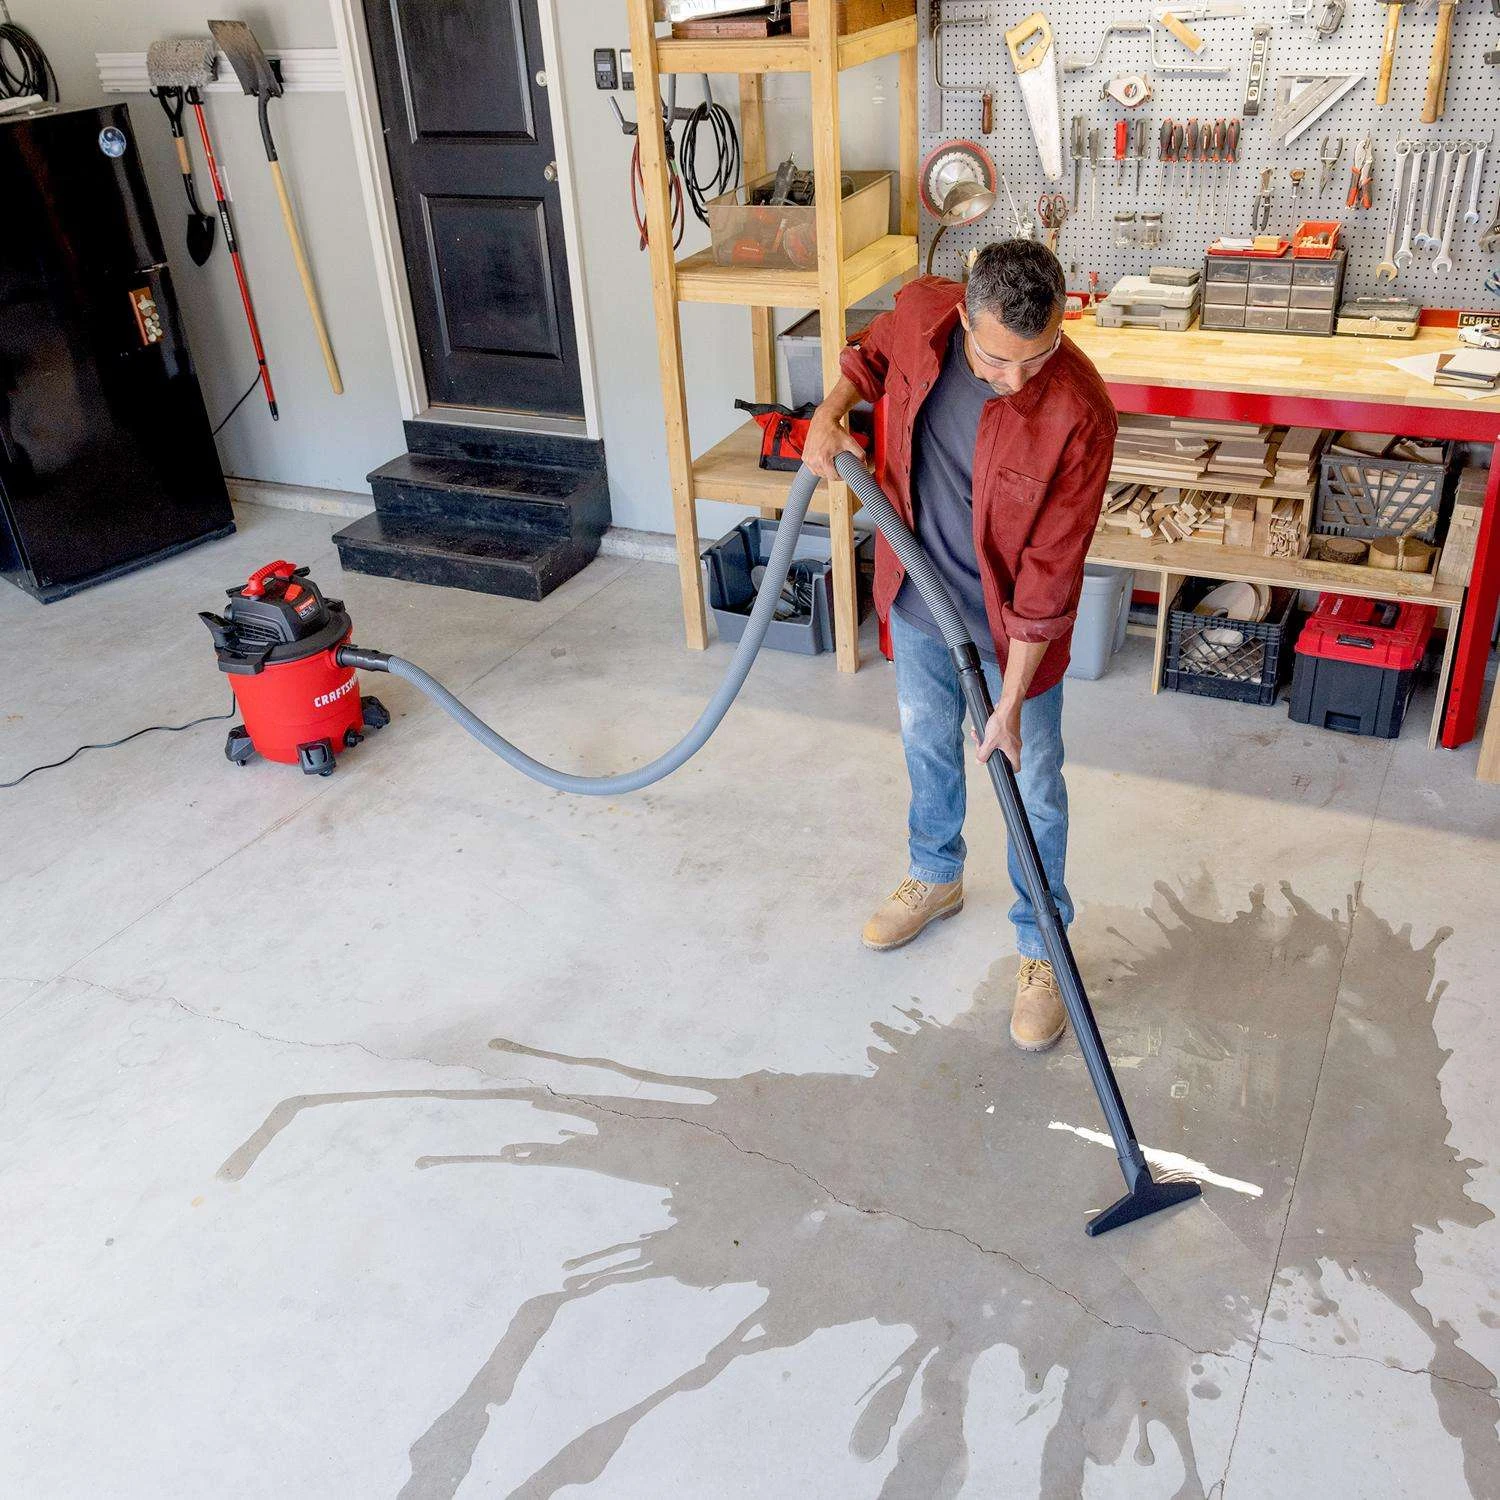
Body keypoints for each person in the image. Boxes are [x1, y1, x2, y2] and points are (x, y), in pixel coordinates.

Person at [802, 240, 1117, 1052]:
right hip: (918, 596)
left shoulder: (1080, 412)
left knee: (1033, 783)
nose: (1016, 378)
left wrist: (1008, 703)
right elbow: (867, 361)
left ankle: (1043, 946)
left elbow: (1051, 575)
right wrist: (830, 414)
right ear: (965, 319)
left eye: (1037, 356)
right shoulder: (920, 315)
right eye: (997, 359)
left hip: (1016, 633)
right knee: (926, 743)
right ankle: (936, 874)